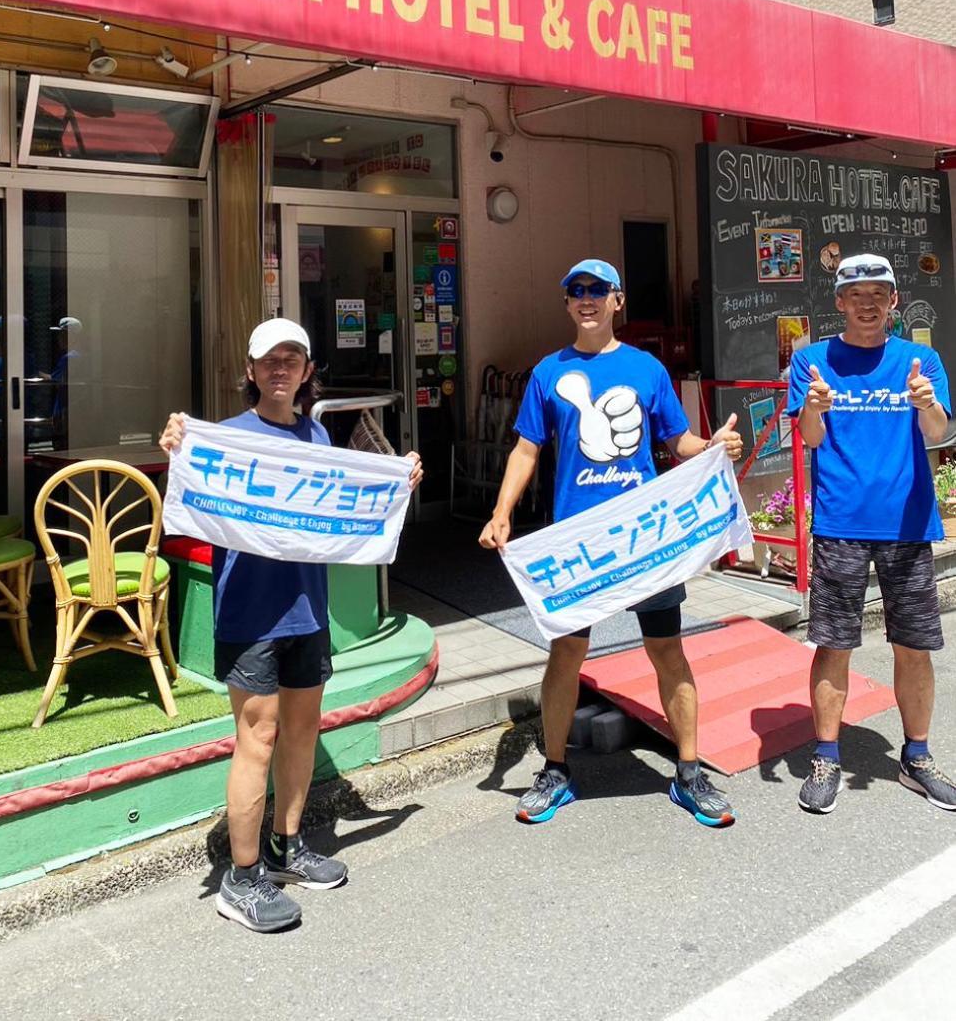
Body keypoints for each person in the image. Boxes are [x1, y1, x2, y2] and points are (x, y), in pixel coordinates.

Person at [160, 318, 422, 933]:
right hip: (250, 615)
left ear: (307, 372)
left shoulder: (318, 437)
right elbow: (189, 475)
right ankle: (241, 877)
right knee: (259, 737)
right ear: (250, 372)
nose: (280, 369)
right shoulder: (224, 438)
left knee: (303, 732)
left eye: (292, 359)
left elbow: (344, 505)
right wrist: (177, 439)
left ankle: (286, 846)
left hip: (308, 611)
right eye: (268, 360)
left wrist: (397, 481)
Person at [479, 259, 744, 827]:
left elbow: (678, 442)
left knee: (667, 650)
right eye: (575, 290)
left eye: (598, 290)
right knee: (566, 655)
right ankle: (555, 770)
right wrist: (501, 512)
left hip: (644, 537)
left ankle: (690, 773)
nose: (586, 299)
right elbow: (526, 450)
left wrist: (716, 445)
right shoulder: (548, 373)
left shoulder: (646, 369)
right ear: (567, 303)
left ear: (617, 301)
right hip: (580, 542)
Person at [789, 253, 954, 815]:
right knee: (833, 644)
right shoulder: (811, 361)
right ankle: (827, 755)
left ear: (892, 301)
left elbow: (937, 432)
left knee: (914, 646)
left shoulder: (921, 359)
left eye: (877, 292)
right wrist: (815, 408)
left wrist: (926, 404)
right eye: (855, 292)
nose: (866, 301)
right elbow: (811, 439)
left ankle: (917, 757)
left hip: (907, 524)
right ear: (838, 301)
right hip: (840, 525)